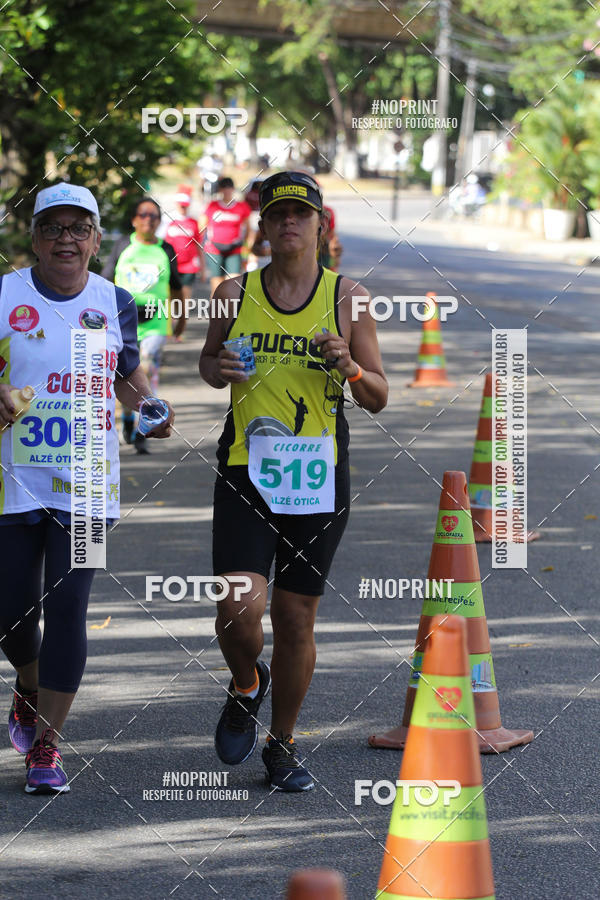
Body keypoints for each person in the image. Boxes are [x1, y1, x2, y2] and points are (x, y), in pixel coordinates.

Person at [199, 171, 387, 791]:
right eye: (277, 214)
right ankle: (247, 683)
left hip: (316, 475)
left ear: (319, 226)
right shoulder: (233, 292)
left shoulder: (348, 298)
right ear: (263, 226)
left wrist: (351, 365)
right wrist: (219, 366)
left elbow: (379, 397)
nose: (288, 224)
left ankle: (281, 745)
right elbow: (207, 365)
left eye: (299, 215)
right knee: (236, 606)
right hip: (246, 470)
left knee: (295, 618)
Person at [0, 182, 174, 794]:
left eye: (79, 229)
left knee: (70, 607)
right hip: (11, 481)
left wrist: (149, 403)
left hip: (87, 485)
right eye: (54, 228)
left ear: (98, 240)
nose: (66, 239)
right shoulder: (4, 294)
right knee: (11, 613)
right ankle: (28, 681)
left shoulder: (115, 300)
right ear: (35, 237)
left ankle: (48, 744)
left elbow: (126, 375)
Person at [102, 197, 182, 454]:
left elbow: (177, 288)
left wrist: (181, 321)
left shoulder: (167, 249)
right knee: (125, 374)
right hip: (123, 322)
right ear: (135, 219)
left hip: (155, 321)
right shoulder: (123, 245)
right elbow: (104, 280)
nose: (148, 220)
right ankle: (127, 419)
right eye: (143, 215)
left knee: (145, 369)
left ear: (159, 221)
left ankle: (145, 426)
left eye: (154, 216)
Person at [163, 185, 205, 338]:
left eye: (185, 205)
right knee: (172, 299)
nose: (183, 208)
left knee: (184, 300)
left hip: (189, 266)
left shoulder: (193, 222)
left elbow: (199, 246)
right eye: (181, 205)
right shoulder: (167, 220)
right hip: (172, 266)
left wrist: (203, 267)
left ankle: (180, 331)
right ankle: (171, 326)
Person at [201, 177, 251, 296]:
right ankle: (216, 312)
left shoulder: (241, 206)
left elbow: (249, 229)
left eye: (229, 188)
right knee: (217, 285)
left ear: (233, 189)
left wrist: (247, 248)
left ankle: (231, 313)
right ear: (220, 190)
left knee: (233, 284)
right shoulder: (212, 206)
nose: (227, 191)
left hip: (234, 249)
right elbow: (202, 225)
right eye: (224, 188)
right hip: (214, 249)